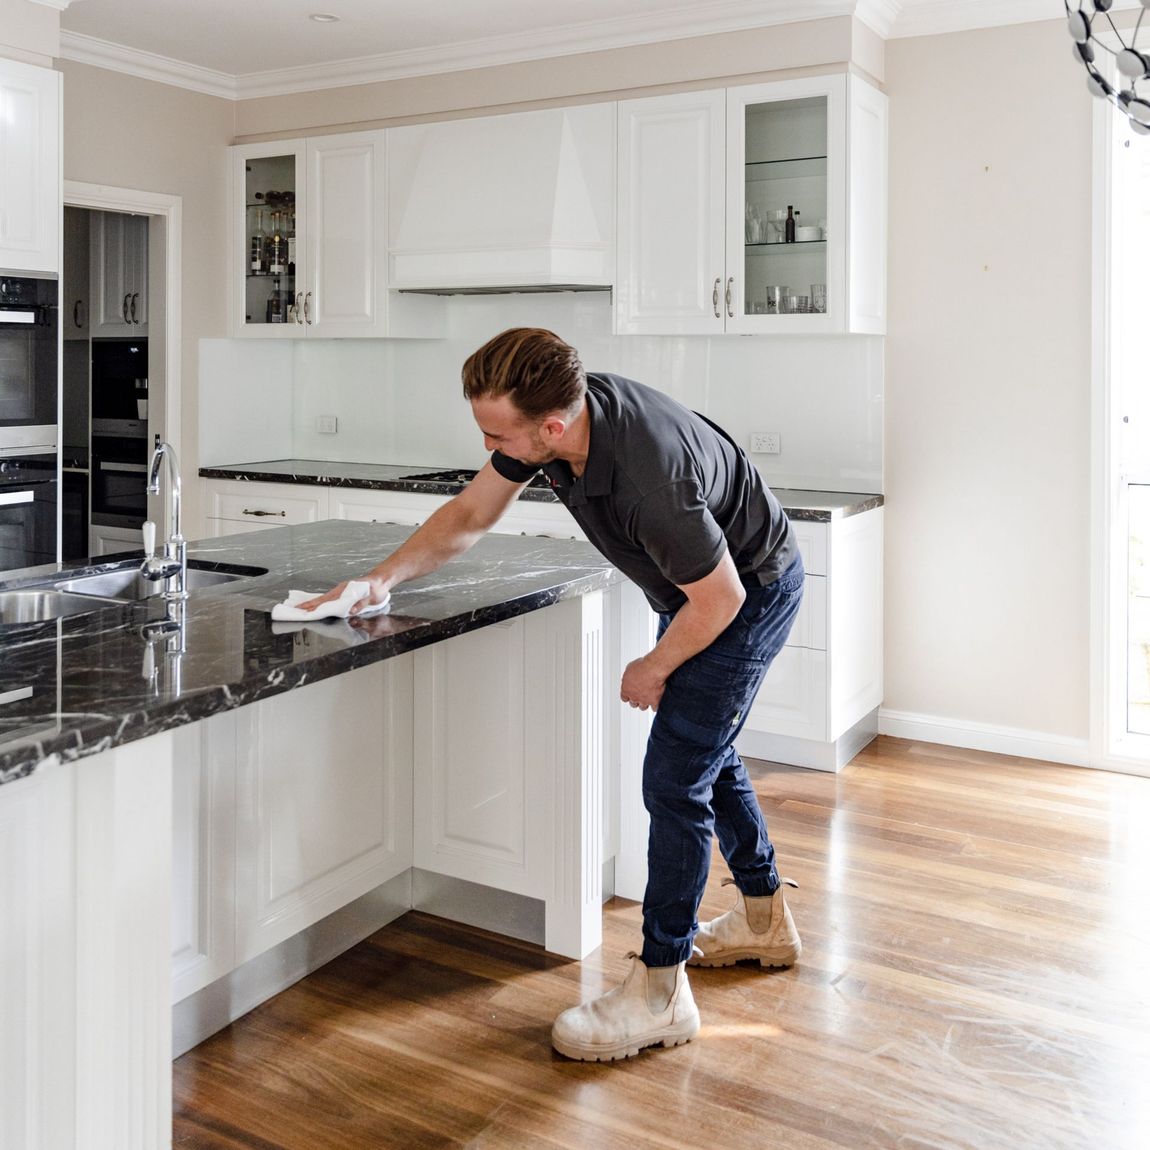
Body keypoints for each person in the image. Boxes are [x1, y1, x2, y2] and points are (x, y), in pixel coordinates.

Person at [298, 327, 804, 1062]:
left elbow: (719, 599)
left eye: (497, 431)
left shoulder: (648, 476)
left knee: (674, 778)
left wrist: (655, 665)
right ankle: (763, 922)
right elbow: (470, 514)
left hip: (743, 593)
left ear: (554, 427)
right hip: (702, 587)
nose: (489, 442)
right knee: (703, 753)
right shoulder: (556, 420)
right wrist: (381, 580)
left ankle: (661, 990)